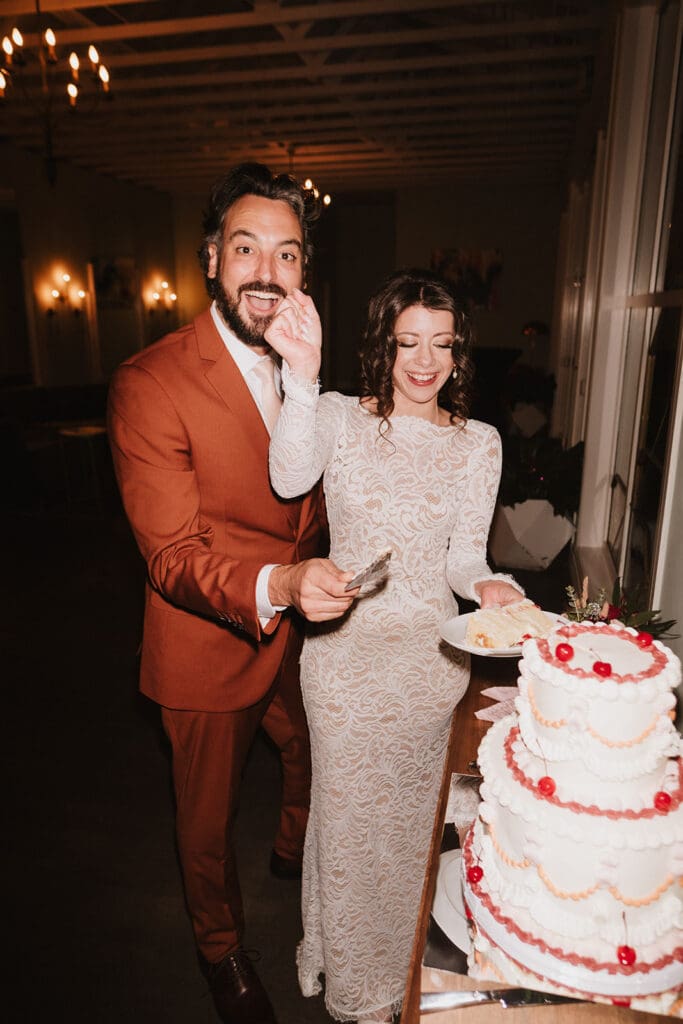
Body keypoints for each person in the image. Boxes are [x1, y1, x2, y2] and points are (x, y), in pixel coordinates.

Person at [107, 163, 357, 1024]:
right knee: (206, 826)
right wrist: (279, 582)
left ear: (303, 272)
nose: (265, 272)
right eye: (245, 248)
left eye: (285, 255)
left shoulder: (306, 362)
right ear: (213, 258)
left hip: (301, 630)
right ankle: (220, 949)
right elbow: (171, 555)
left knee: (306, 750)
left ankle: (292, 852)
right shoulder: (151, 382)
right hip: (209, 643)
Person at [265, 268, 524, 1023]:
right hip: (344, 661)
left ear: (458, 354)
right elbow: (289, 477)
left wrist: (491, 588)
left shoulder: (478, 443)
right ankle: (352, 980)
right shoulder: (343, 417)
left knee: (409, 828)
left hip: (426, 665)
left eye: (441, 345)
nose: (424, 360)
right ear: (383, 343)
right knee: (347, 821)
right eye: (407, 341)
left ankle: (396, 964)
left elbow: (462, 561)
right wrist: (303, 377)